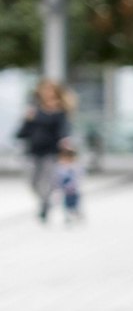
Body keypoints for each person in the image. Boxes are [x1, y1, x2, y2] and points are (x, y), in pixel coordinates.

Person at [15, 78, 70, 224]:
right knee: (32, 181)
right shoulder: (34, 110)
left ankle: (45, 204)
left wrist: (65, 142)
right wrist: (28, 119)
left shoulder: (60, 111)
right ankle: (45, 201)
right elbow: (22, 132)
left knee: (49, 180)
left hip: (51, 151)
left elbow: (64, 130)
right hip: (33, 150)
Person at [53, 140, 83, 226]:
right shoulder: (59, 167)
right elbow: (56, 178)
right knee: (65, 203)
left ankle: (76, 212)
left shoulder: (76, 167)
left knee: (74, 202)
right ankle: (67, 216)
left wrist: (74, 184)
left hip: (73, 189)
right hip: (64, 189)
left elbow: (79, 177)